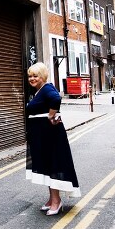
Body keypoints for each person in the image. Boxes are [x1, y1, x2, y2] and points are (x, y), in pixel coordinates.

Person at [25, 62, 80, 215]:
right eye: (30, 76)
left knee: (52, 166)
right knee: (47, 166)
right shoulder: (40, 91)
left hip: (50, 136)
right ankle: (52, 199)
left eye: (35, 76)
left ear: (42, 76)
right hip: (43, 136)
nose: (32, 78)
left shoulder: (47, 89)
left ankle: (56, 202)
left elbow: (56, 99)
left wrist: (50, 115)